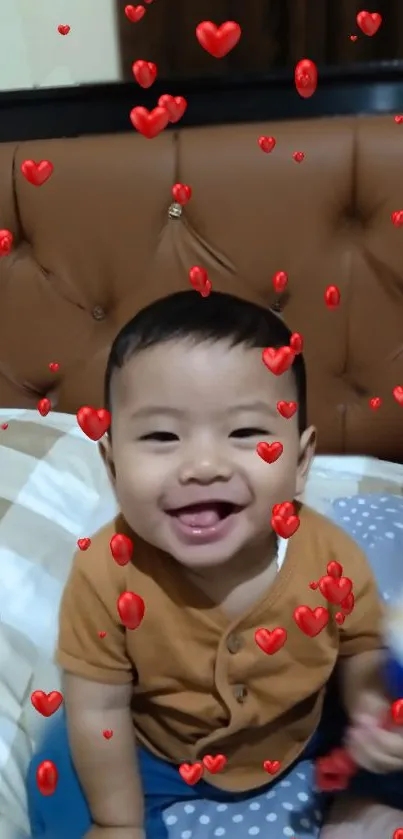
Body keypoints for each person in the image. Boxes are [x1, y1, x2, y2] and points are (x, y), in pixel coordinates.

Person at [27, 289, 403, 839]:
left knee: (388, 718)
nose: (202, 466)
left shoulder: (328, 557)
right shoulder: (106, 574)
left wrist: (370, 715)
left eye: (245, 433)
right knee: (62, 760)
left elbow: (359, 650)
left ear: (300, 463)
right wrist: (117, 820)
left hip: (305, 727)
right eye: (161, 436)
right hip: (153, 749)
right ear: (111, 464)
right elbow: (100, 708)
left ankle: (362, 804)